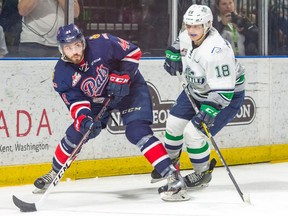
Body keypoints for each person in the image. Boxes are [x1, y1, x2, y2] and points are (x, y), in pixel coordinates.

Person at [32, 23, 190, 202]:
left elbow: (132, 51)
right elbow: (76, 102)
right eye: (69, 48)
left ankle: (173, 176)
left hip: (130, 89)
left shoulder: (102, 43)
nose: (75, 51)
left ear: (83, 41)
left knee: (137, 131)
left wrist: (123, 75)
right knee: (76, 133)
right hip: (98, 101)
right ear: (61, 49)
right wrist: (85, 120)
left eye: (77, 45)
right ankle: (54, 172)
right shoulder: (61, 74)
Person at [150, 4, 245, 190]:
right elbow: (180, 42)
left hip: (224, 97)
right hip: (196, 90)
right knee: (173, 124)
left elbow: (225, 90)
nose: (191, 30)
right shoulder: (187, 34)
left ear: (207, 25)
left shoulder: (217, 51)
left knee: (194, 133)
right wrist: (173, 53)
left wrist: (209, 110)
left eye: (197, 26)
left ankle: (202, 173)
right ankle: (170, 165)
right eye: (189, 25)